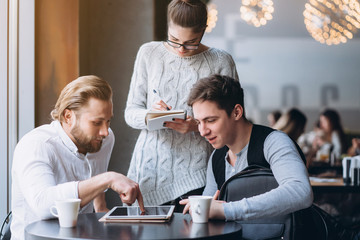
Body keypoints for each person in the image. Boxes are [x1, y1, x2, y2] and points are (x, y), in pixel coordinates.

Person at [124, 0, 238, 210]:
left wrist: (196, 126)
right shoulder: (149, 53)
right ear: (167, 25)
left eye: (191, 42)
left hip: (198, 175)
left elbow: (235, 120)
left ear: (203, 30)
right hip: (150, 171)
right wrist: (151, 115)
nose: (182, 49)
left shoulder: (221, 61)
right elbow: (131, 112)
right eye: (174, 40)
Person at [11, 76, 144, 240]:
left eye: (108, 121)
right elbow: (43, 205)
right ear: (68, 116)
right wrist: (108, 178)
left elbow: (96, 194)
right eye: (97, 122)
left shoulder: (104, 139)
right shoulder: (37, 145)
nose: (105, 131)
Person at [180, 74, 313, 221]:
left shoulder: (274, 142)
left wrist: (226, 210)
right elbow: (208, 209)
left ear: (237, 112)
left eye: (210, 120)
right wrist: (199, 209)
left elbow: (301, 191)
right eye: (198, 122)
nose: (203, 131)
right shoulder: (217, 157)